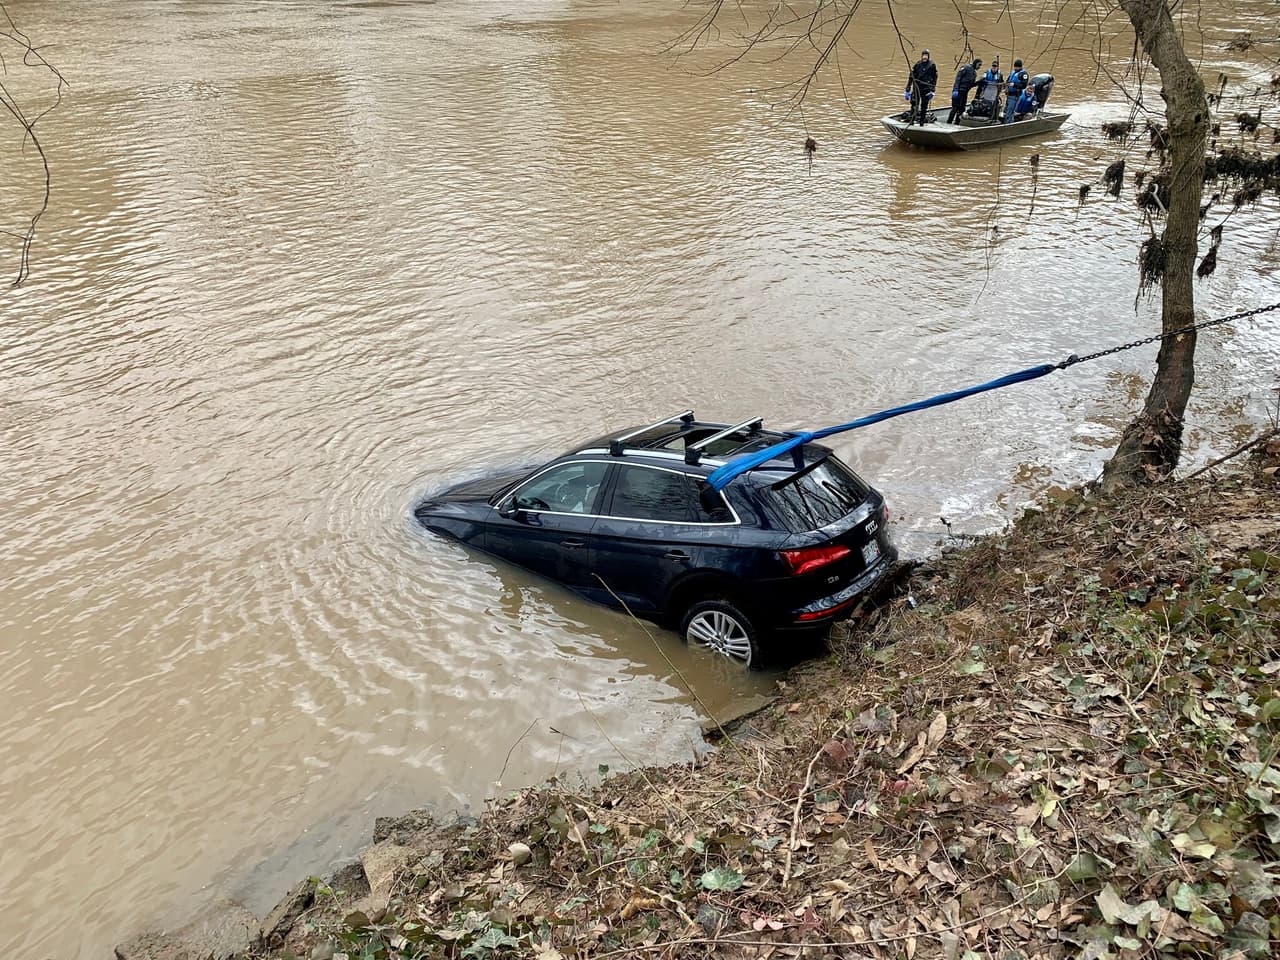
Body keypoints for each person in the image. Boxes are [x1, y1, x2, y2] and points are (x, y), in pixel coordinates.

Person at [903, 49, 938, 125]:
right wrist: (908, 89)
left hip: (926, 88)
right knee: (914, 105)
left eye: (926, 55)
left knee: (924, 106)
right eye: (923, 55)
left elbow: (935, 78)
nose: (925, 57)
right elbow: (911, 77)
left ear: (928, 56)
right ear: (921, 56)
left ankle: (922, 122)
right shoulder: (918, 64)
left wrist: (932, 90)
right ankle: (911, 121)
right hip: (917, 88)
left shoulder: (932, 65)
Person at [948, 57, 982, 123]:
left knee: (962, 108)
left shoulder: (974, 74)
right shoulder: (966, 68)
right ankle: (949, 122)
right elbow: (958, 78)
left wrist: (979, 82)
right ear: (975, 63)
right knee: (955, 108)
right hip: (959, 91)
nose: (979, 67)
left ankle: (957, 123)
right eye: (979, 65)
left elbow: (971, 85)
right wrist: (955, 89)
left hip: (965, 92)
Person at [1003, 59, 1030, 123]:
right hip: (1009, 95)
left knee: (1010, 111)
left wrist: (1014, 84)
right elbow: (1008, 81)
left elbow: (1024, 85)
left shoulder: (1023, 74)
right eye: (1015, 67)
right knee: (1006, 111)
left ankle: (1009, 124)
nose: (1015, 68)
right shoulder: (1013, 72)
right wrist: (1006, 87)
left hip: (1015, 96)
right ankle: (1005, 121)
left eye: (1016, 67)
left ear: (1020, 67)